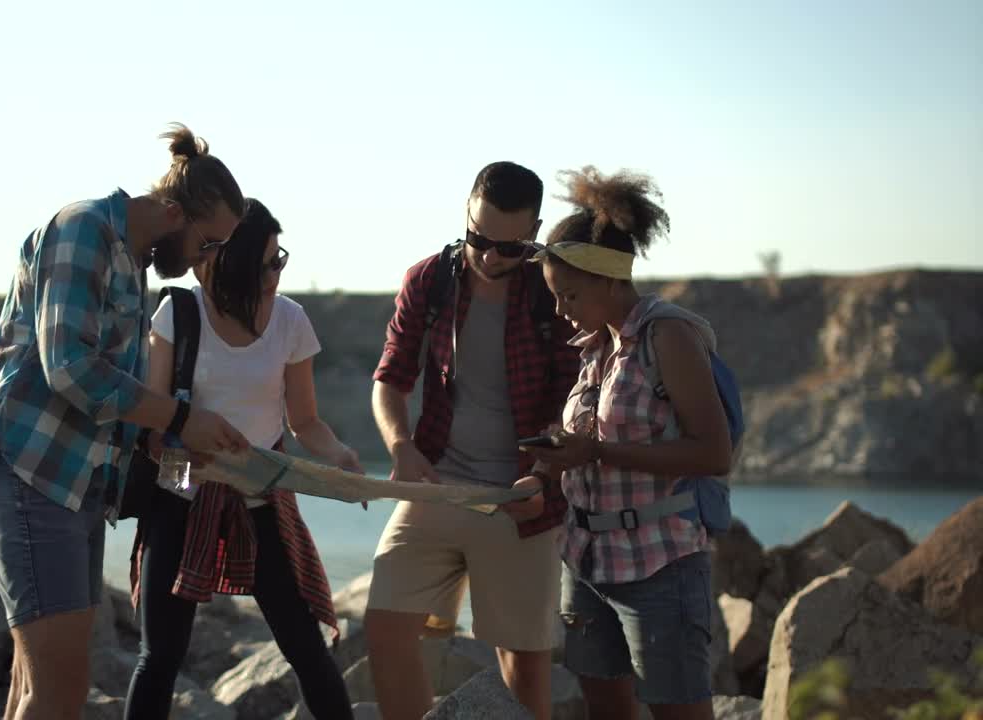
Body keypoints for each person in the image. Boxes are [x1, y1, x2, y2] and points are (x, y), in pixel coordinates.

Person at [0, 124, 251, 720]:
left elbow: (114, 401)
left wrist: (170, 442)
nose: (207, 262)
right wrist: (181, 417)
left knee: (37, 680)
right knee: (60, 688)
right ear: (174, 211)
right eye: (208, 243)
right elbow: (70, 367)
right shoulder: (84, 228)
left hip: (73, 484)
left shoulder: (132, 261)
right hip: (29, 470)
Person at [125, 198, 359, 719]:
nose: (276, 273)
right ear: (230, 264)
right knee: (160, 655)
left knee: (307, 649)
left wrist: (342, 458)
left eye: (281, 260)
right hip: (180, 497)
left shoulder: (291, 321)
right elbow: (151, 420)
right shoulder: (180, 313)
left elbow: (305, 422)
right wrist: (186, 437)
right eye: (265, 264)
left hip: (261, 500)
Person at [366, 161, 580, 720]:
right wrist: (399, 447)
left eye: (509, 248)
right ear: (466, 213)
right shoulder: (429, 280)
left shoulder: (552, 292)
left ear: (535, 230)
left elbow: (576, 401)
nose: (489, 257)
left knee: (524, 666)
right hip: (436, 486)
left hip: (523, 501)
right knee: (385, 631)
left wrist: (543, 476)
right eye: (479, 238)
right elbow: (390, 378)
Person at [523, 166, 733, 720]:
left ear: (610, 280)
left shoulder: (669, 337)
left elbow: (713, 454)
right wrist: (543, 472)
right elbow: (589, 442)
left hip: (660, 566)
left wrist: (594, 452)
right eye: (555, 296)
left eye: (568, 294)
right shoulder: (596, 345)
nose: (560, 309)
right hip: (587, 563)